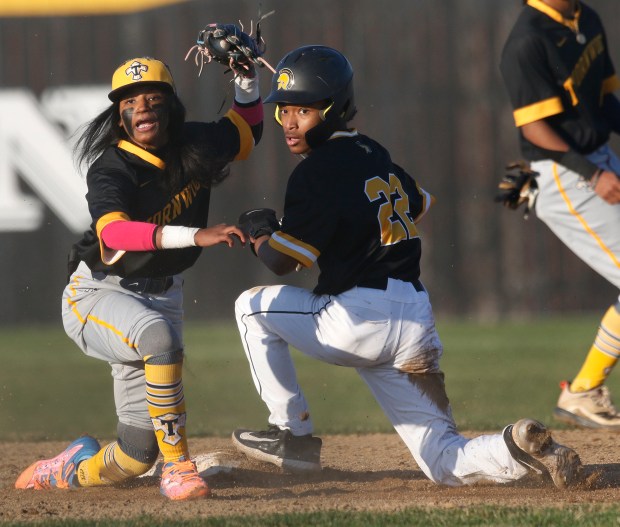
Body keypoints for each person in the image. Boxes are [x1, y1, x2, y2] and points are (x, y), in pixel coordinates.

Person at [229, 45, 583, 488]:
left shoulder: (314, 171)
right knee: (442, 459)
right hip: (415, 319)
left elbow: (282, 263)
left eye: (304, 110)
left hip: (358, 319)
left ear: (334, 108)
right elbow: (420, 203)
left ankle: (292, 437)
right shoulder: (373, 152)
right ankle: (516, 448)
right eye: (283, 110)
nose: (289, 122)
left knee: (251, 308)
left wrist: (261, 233)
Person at [14, 50, 262, 500]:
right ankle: (179, 468)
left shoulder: (194, 142)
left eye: (152, 98)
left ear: (170, 106)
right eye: (129, 102)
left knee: (134, 454)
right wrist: (197, 235)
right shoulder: (112, 166)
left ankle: (68, 470)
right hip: (97, 295)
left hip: (163, 295)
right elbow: (118, 232)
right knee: (157, 340)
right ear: (119, 116)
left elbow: (247, 131)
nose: (141, 108)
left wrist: (246, 81)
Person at [499, 0, 620, 430]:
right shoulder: (527, 40)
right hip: (562, 174)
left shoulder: (587, 18)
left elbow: (605, 100)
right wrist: (593, 174)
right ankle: (582, 391)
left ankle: (584, 390)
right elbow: (534, 129)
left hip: (597, 157)